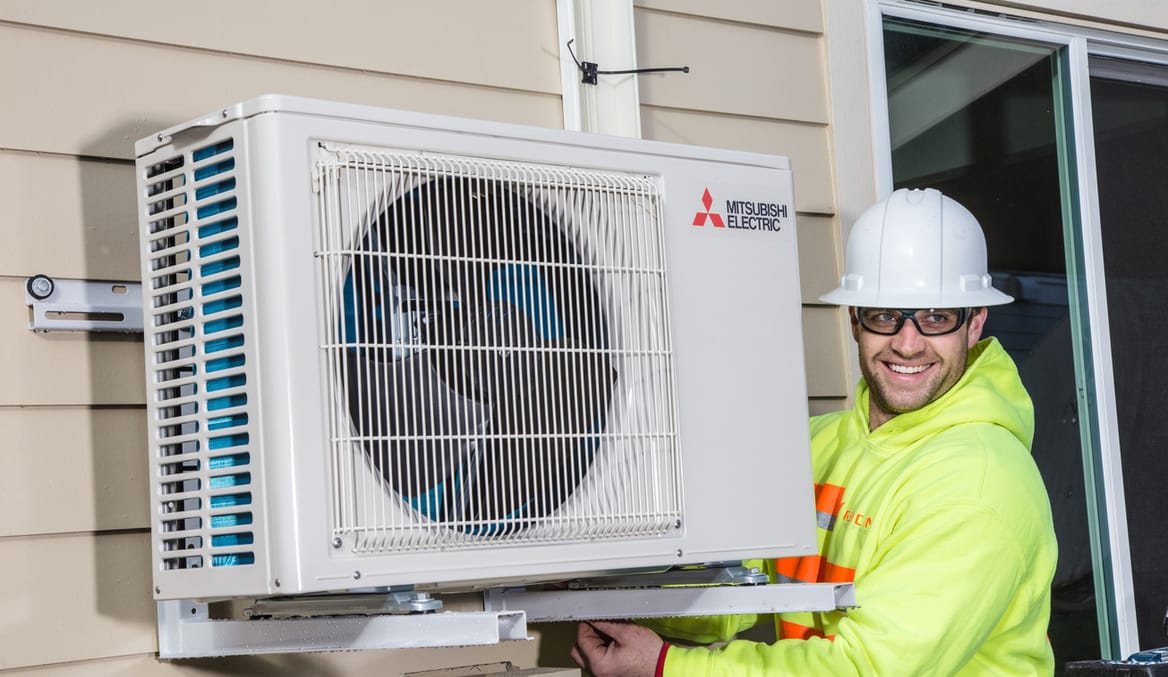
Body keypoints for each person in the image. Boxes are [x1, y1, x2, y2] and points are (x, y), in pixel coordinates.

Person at [571, 188, 1058, 676]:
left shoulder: (979, 482)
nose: (908, 344)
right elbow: (727, 597)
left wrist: (664, 669)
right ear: (855, 321)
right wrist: (594, 587)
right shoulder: (813, 445)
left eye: (936, 318)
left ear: (974, 326)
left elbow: (869, 669)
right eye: (885, 315)